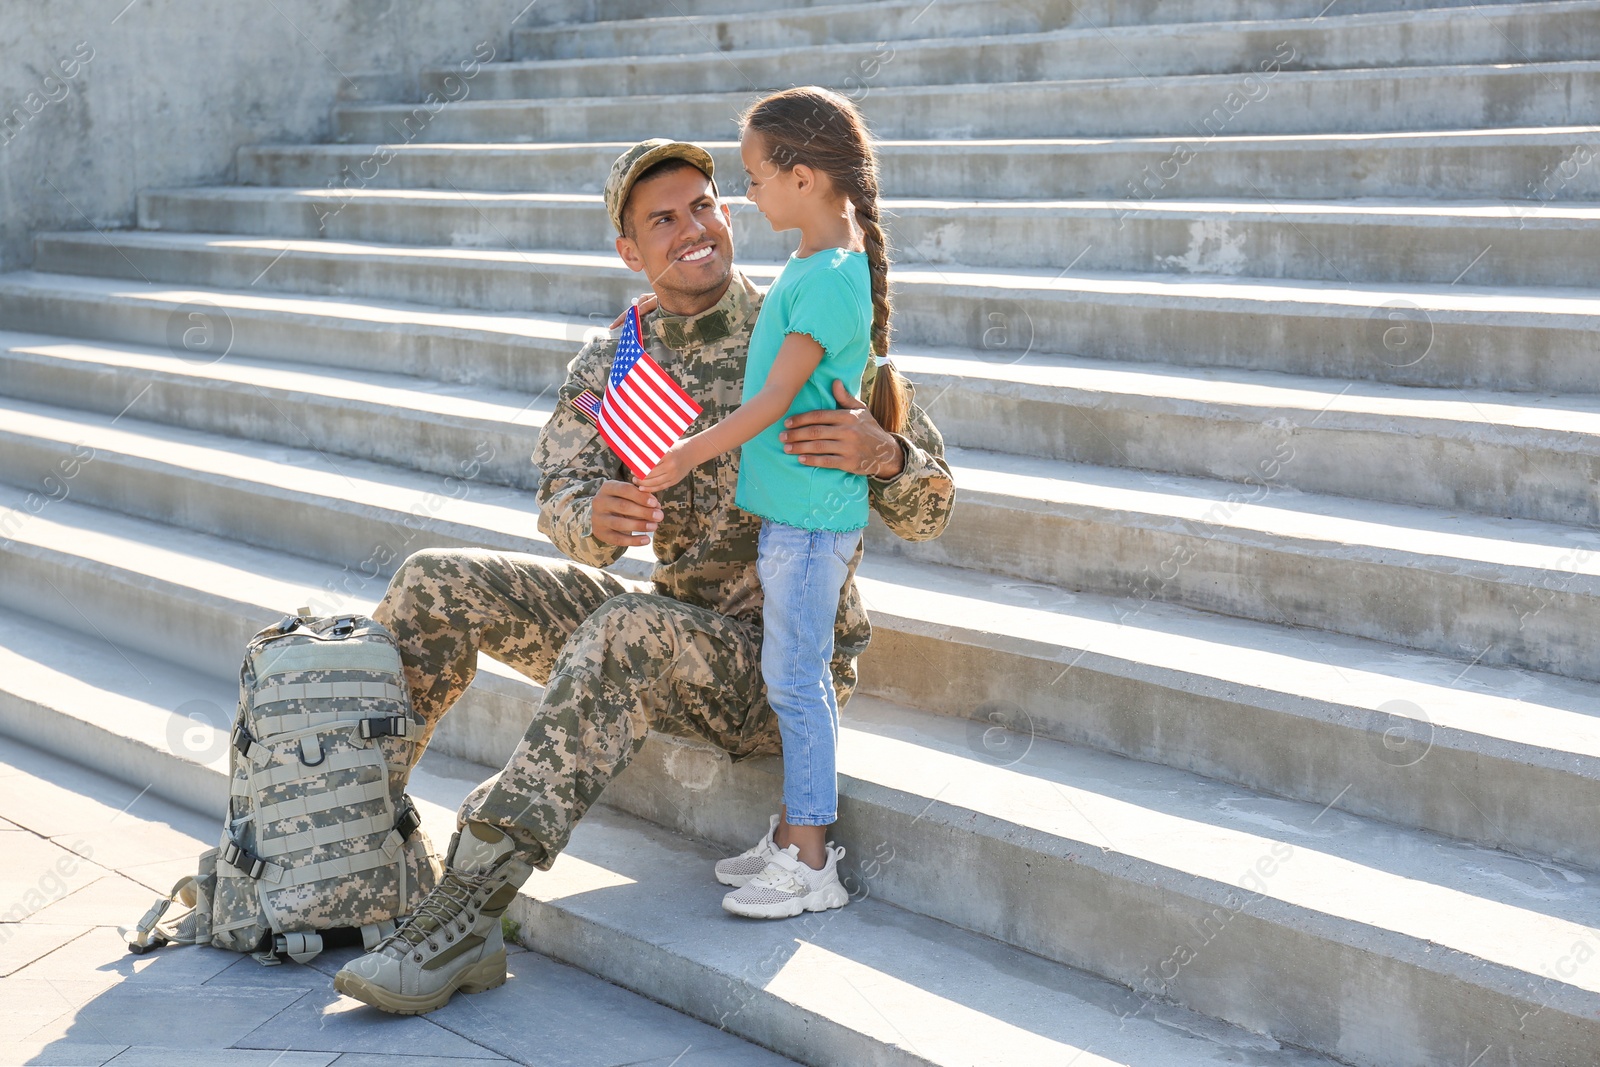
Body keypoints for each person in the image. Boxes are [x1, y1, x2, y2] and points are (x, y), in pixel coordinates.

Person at [332, 135, 954, 1015]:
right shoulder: (618, 358)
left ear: (728, 216)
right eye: (662, 219)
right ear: (630, 251)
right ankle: (348, 850)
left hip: (776, 666)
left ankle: (470, 906)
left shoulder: (810, 316)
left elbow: (933, 503)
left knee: (627, 630)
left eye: (702, 205)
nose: (690, 227)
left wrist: (886, 456)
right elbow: (563, 496)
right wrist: (591, 520)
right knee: (437, 578)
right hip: (674, 623)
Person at [636, 87, 900, 920]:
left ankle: (812, 862)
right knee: (791, 678)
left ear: (805, 175)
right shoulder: (820, 264)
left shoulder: (827, 279)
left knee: (795, 682)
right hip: (799, 516)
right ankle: (792, 837)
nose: (746, 195)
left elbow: (773, 402)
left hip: (811, 523)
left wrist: (686, 452)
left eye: (754, 176)